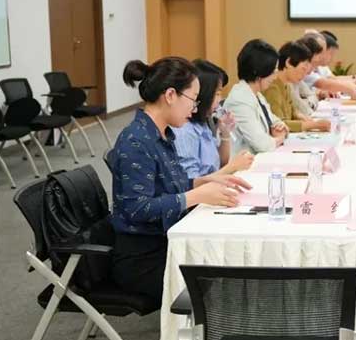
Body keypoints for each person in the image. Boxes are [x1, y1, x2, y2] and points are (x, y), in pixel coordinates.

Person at [109, 57, 251, 303]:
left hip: (168, 240)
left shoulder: (161, 133)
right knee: (227, 278)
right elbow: (138, 208)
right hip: (144, 258)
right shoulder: (136, 141)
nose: (194, 108)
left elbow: (173, 185)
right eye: (193, 99)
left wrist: (208, 181)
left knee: (234, 258)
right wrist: (196, 195)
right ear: (170, 95)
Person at [171, 60, 254, 179]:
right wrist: (233, 167)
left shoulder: (203, 123)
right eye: (217, 94)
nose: (220, 100)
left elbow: (219, 164)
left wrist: (225, 134)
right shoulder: (184, 130)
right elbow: (191, 183)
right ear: (203, 94)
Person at [224, 39, 289, 153]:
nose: (275, 77)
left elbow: (275, 121)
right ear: (259, 72)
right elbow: (262, 145)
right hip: (246, 160)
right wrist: (280, 138)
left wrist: (281, 127)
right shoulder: (239, 100)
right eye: (272, 71)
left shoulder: (257, 94)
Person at [265, 41, 332, 132]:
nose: (304, 75)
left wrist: (304, 118)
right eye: (303, 69)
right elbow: (278, 124)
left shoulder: (286, 84)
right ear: (288, 62)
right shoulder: (272, 86)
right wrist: (313, 125)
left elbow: (293, 112)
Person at [303, 34, 356, 99]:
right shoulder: (304, 67)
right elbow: (324, 84)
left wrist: (320, 93)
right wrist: (350, 86)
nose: (322, 56)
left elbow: (332, 79)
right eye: (321, 52)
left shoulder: (315, 66)